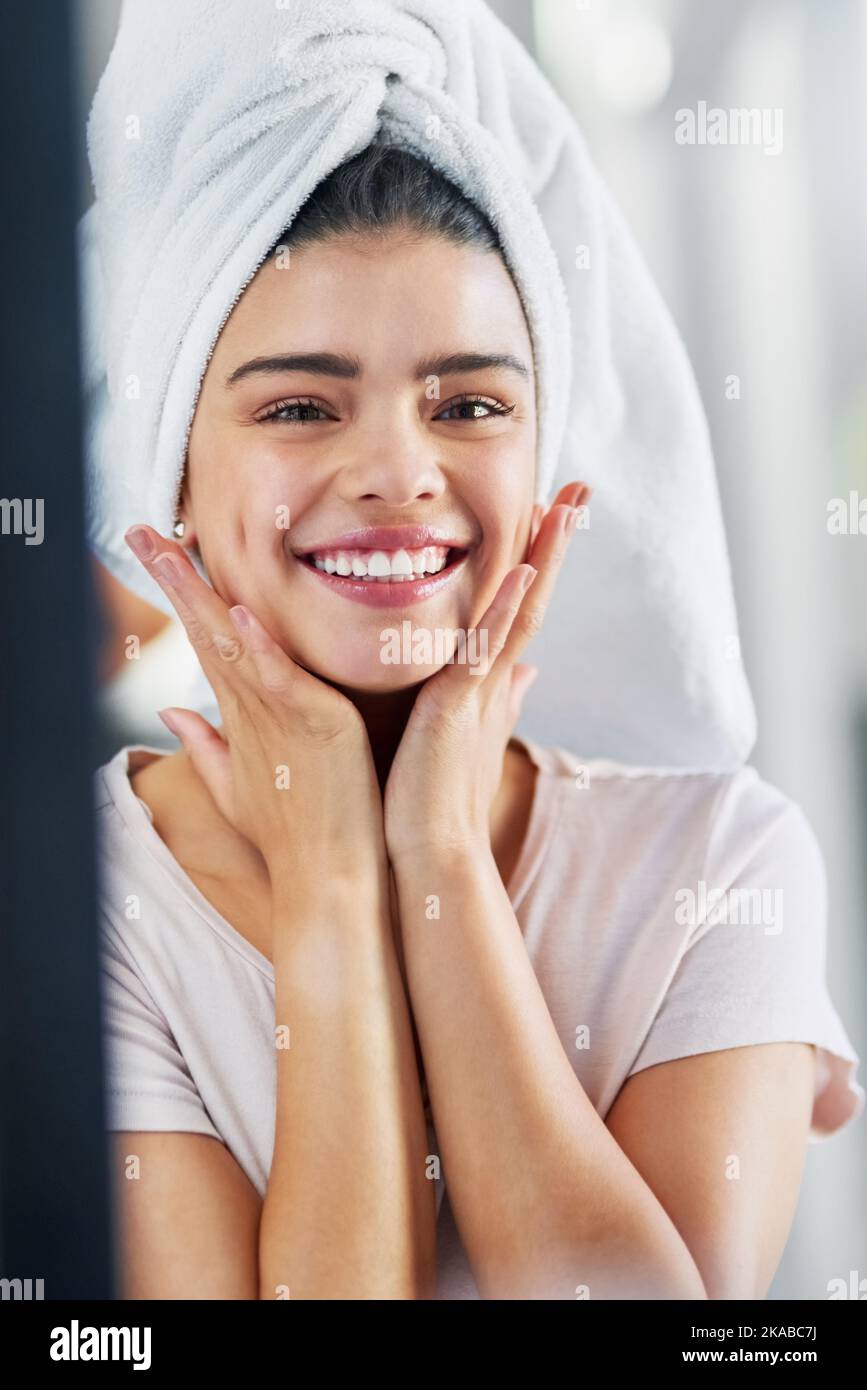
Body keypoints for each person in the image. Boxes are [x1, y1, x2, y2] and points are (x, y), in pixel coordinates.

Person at [95, 143, 862, 1301]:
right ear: (177, 489)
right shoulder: (77, 897)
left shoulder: (718, 858)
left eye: (469, 404)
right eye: (300, 405)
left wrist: (437, 854)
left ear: (543, 469)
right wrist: (332, 884)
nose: (399, 471)